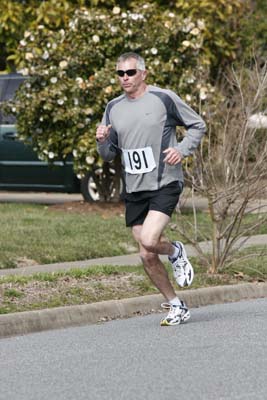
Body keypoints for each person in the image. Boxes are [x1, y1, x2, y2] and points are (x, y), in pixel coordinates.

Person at [96, 52, 206, 326]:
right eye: (120, 73)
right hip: (135, 188)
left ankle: (175, 251)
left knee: (148, 240)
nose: (125, 78)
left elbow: (197, 125)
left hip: (164, 182)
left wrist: (181, 150)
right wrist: (101, 141)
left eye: (130, 72)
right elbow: (109, 154)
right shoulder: (113, 107)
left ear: (143, 73)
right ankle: (176, 304)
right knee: (146, 254)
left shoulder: (163, 98)